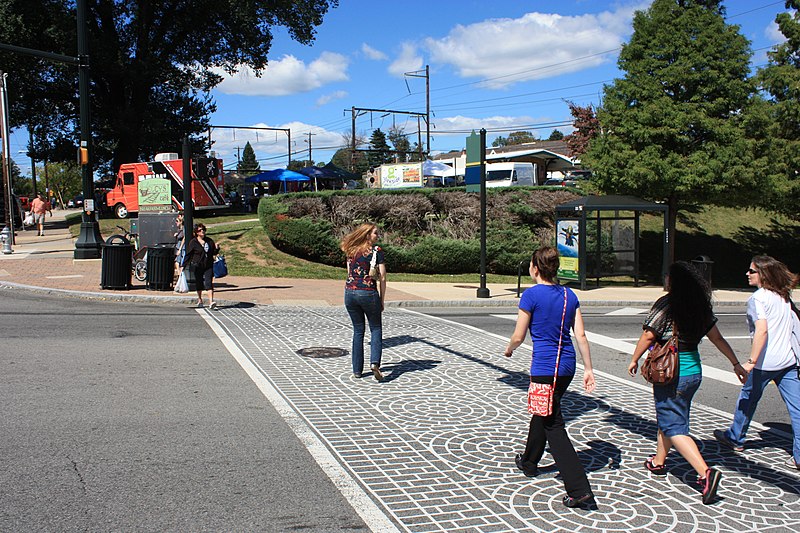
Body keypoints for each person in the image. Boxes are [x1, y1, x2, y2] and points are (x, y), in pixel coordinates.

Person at [629, 261, 746, 505]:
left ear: (674, 280)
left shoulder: (668, 303)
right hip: (693, 371)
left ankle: (705, 474)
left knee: (674, 425)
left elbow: (650, 334)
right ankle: (659, 462)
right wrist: (735, 363)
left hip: (671, 372)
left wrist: (634, 358)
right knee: (671, 416)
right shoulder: (700, 305)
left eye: (668, 276)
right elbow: (716, 337)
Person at [504, 246, 596, 508]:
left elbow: (519, 335)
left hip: (545, 370)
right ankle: (530, 462)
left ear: (535, 268)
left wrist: (510, 348)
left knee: (552, 424)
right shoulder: (569, 295)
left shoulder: (531, 295)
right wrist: (588, 368)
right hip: (567, 367)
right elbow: (581, 335)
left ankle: (579, 489)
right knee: (543, 412)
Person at [714, 256, 800, 471]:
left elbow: (761, 329)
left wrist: (751, 361)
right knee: (797, 409)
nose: (747, 273)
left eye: (752, 271)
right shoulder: (783, 297)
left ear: (763, 274)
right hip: (788, 360)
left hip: (765, 362)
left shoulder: (758, 298)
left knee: (748, 399)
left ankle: (736, 437)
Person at [340, 223, 386, 381]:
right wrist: (381, 299)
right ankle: (374, 363)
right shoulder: (376, 251)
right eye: (375, 233)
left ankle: (357, 371)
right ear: (367, 235)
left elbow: (349, 272)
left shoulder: (351, 250)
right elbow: (383, 277)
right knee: (376, 328)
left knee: (358, 331)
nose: (377, 236)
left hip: (350, 293)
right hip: (368, 293)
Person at [181, 223, 219, 309]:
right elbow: (189, 254)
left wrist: (217, 248)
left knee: (209, 282)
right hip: (197, 265)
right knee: (199, 282)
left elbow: (213, 253)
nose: (202, 232)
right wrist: (183, 265)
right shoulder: (193, 242)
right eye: (200, 230)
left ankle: (211, 301)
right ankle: (200, 299)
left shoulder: (209, 241)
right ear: (196, 232)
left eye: (203, 230)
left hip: (208, 265)